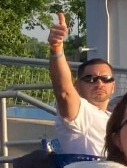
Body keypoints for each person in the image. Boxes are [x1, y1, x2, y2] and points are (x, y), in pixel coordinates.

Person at [46, 11, 113, 156]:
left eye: (106, 78)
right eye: (90, 78)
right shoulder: (80, 113)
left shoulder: (112, 117)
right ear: (77, 86)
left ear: (113, 86)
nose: (99, 82)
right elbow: (64, 92)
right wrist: (56, 48)